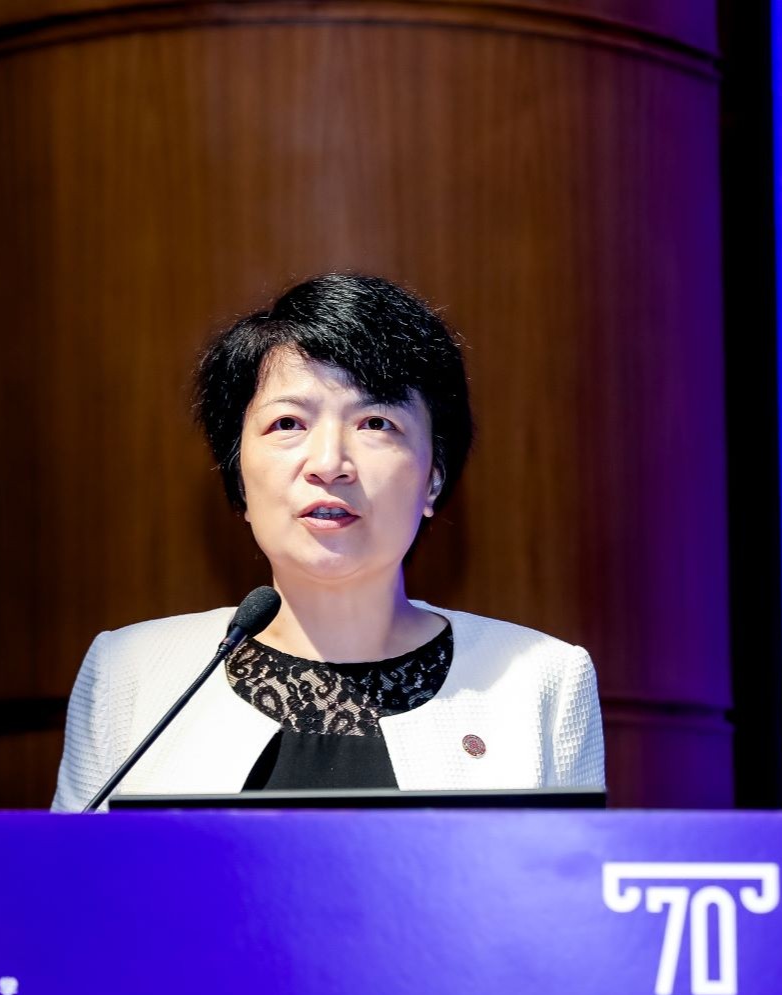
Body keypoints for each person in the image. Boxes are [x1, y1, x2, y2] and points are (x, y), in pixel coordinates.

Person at [51, 274, 604, 810]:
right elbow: (65, 873)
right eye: (288, 423)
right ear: (239, 476)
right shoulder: (130, 674)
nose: (329, 463)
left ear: (433, 477)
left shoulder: (541, 680)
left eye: (376, 423)